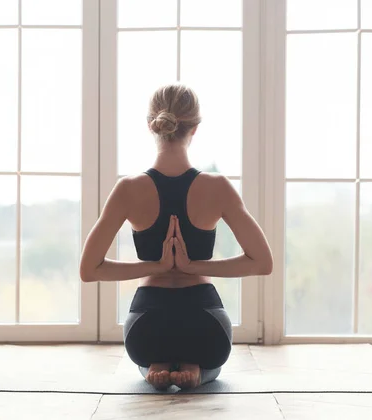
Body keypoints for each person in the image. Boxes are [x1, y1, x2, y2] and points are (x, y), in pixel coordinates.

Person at [79, 84, 273, 390]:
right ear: (194, 128)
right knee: (213, 361)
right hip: (205, 328)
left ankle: (152, 368)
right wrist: (194, 266)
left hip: (147, 330)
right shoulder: (217, 186)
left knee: (148, 356)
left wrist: (154, 266)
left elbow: (89, 270)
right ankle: (199, 371)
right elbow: (262, 262)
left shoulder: (128, 189)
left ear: (151, 125)